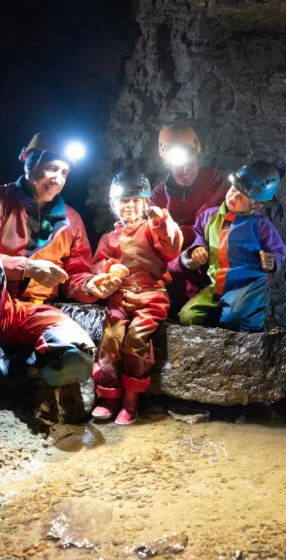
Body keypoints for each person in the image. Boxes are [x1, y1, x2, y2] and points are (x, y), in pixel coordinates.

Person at [0, 132, 121, 447]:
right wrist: (27, 267)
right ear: (29, 161)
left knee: (75, 358)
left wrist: (93, 286)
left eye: (64, 172)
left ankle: (8, 372)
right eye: (50, 168)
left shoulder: (71, 220)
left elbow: (75, 276)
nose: (57, 178)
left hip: (33, 311)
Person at [90, 170, 183, 425]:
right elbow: (96, 265)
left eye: (136, 201)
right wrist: (109, 268)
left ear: (145, 204)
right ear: (113, 205)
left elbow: (172, 247)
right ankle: (108, 396)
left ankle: (131, 399)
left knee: (137, 337)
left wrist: (162, 221)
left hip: (151, 295)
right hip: (121, 297)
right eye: (124, 201)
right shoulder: (109, 238)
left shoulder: (152, 230)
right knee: (111, 337)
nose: (129, 206)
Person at [179, 161, 286, 332]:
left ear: (257, 205)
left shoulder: (260, 225)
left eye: (241, 197)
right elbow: (199, 238)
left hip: (248, 286)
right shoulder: (210, 217)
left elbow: (278, 250)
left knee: (236, 321)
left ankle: (253, 328)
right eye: (233, 190)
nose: (232, 197)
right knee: (188, 316)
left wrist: (272, 261)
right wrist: (196, 251)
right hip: (217, 285)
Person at [149, 123, 227, 309]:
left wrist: (183, 233)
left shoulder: (211, 179)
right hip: (177, 269)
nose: (186, 171)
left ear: (198, 157)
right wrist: (182, 259)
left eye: (191, 162)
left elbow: (215, 222)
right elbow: (156, 242)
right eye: (179, 165)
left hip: (211, 261)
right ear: (167, 163)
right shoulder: (159, 195)